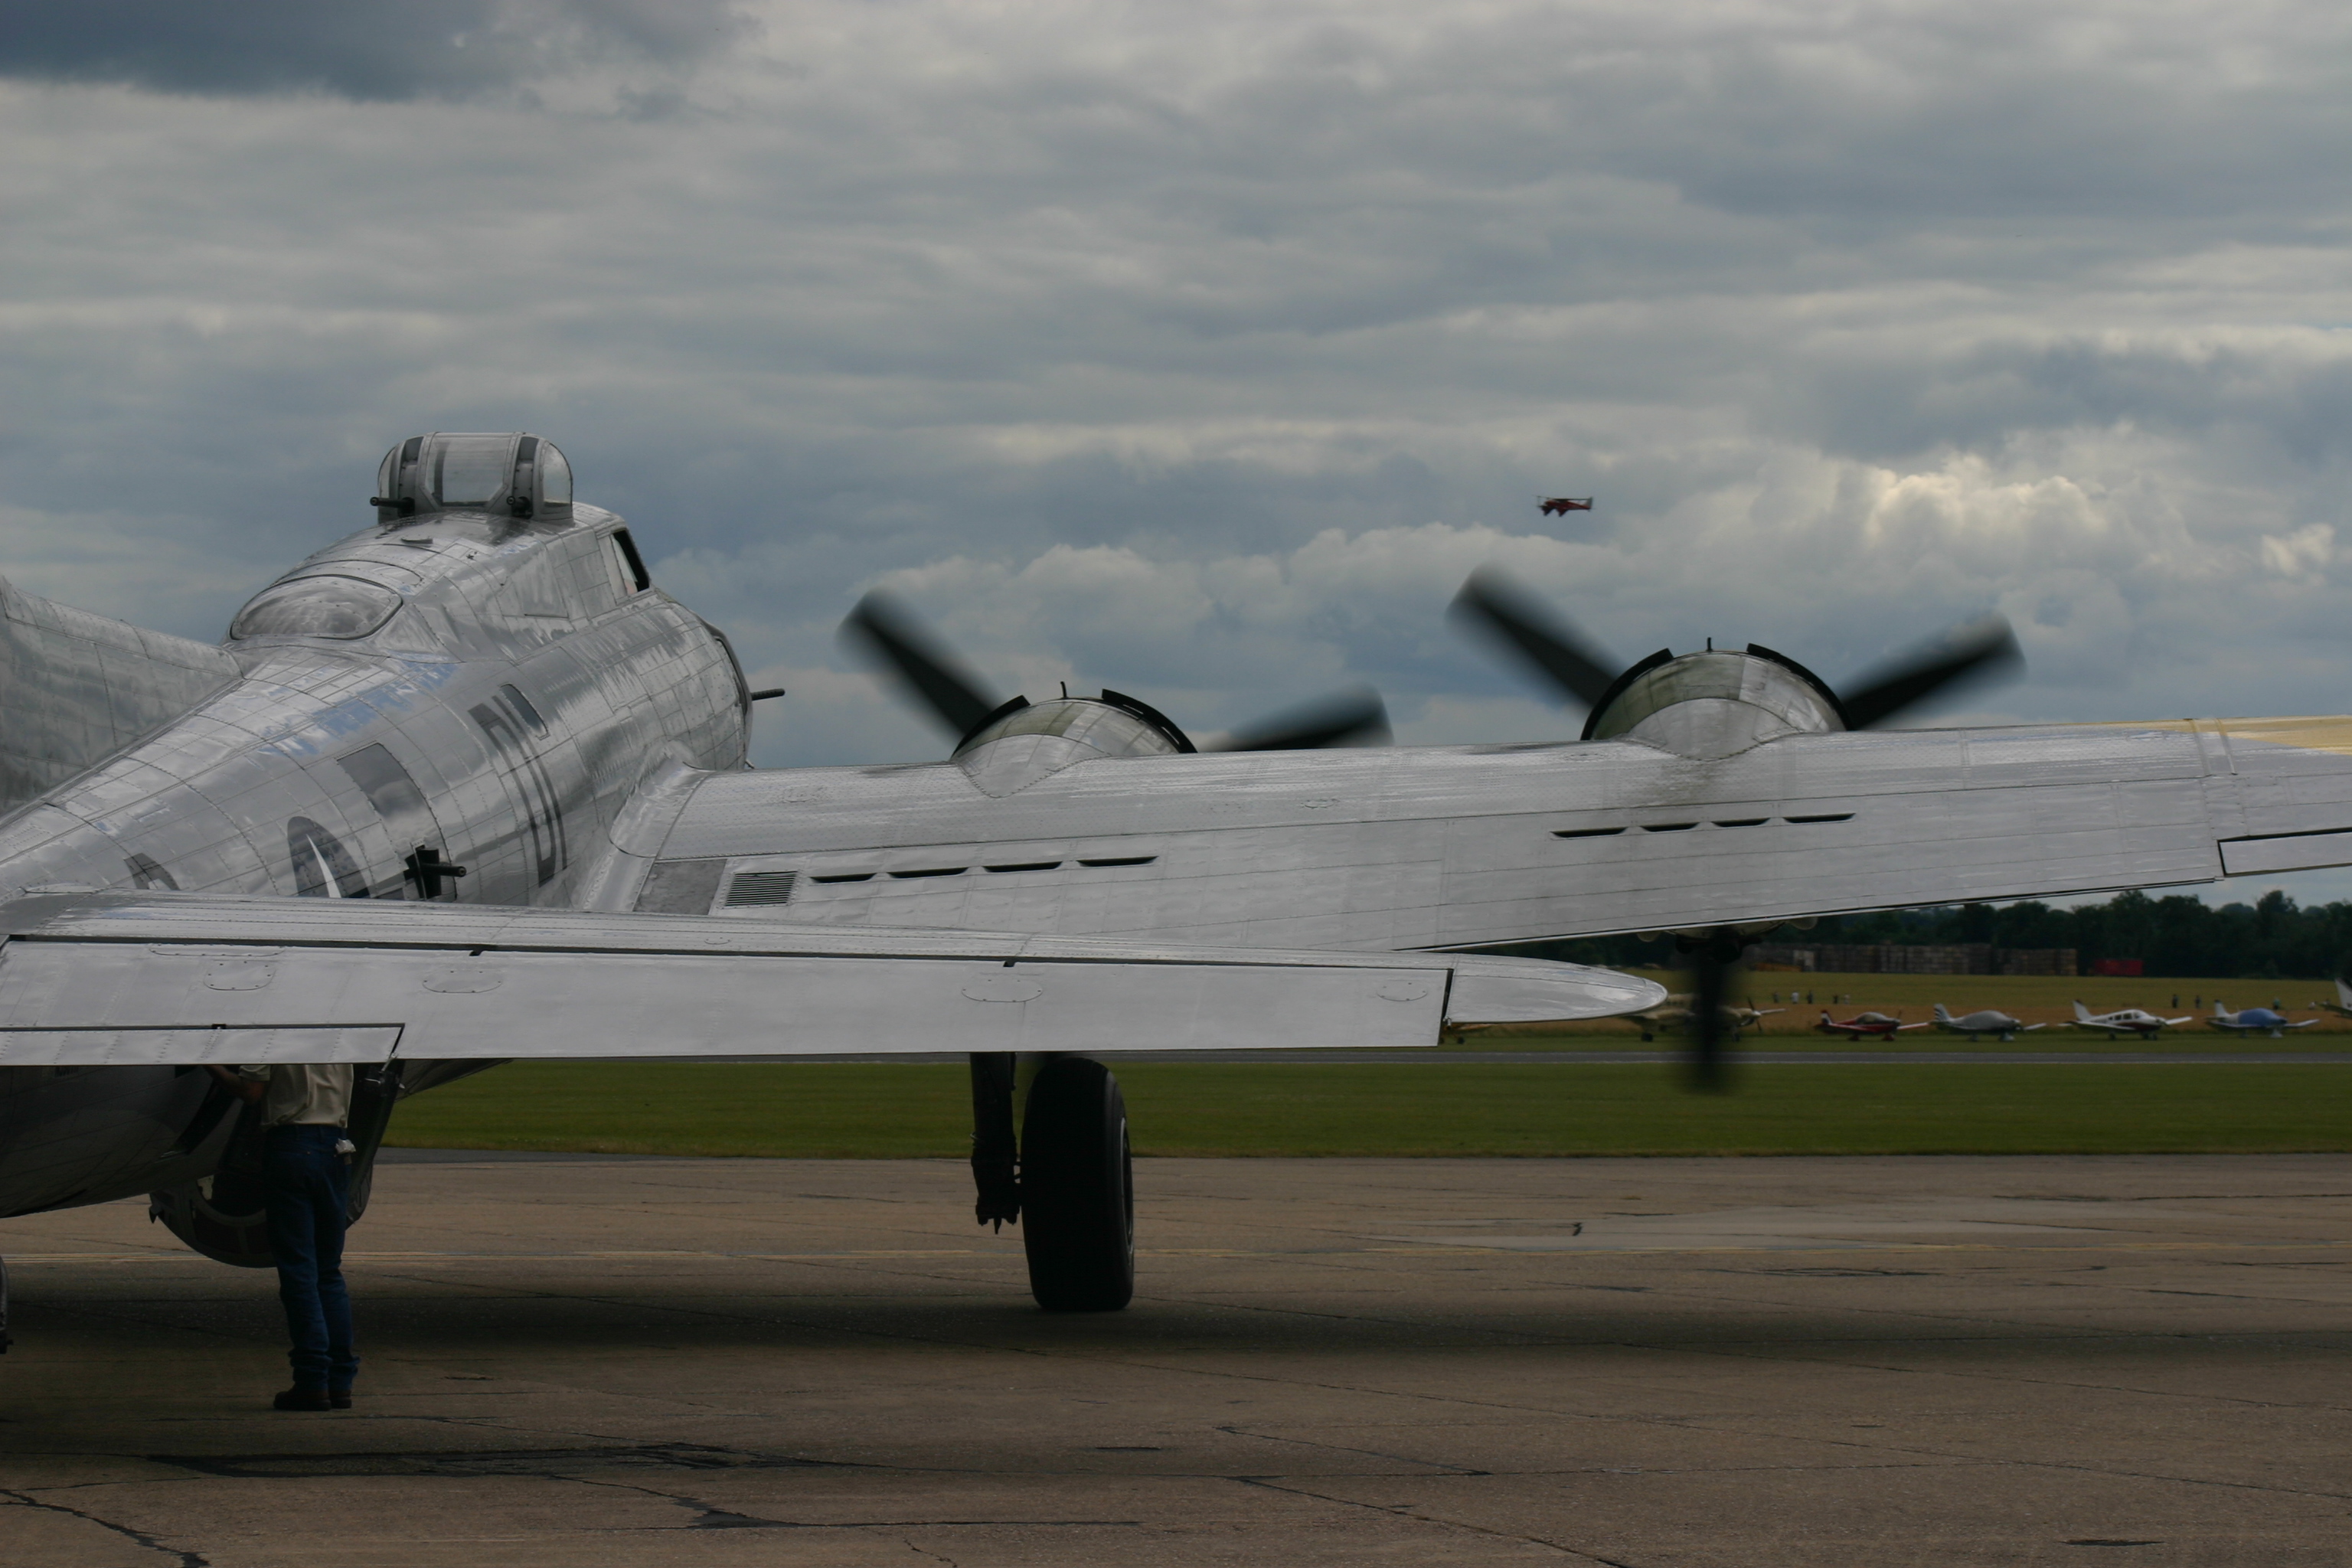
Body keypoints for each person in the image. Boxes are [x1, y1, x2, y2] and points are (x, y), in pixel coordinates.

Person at [208, 1062, 359, 1410]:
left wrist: (209, 1064)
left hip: (292, 1144)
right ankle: (340, 1380)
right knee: (328, 1271)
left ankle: (311, 1379)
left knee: (299, 1271)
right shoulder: (342, 1033)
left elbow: (251, 1091)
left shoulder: (276, 1032)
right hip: (337, 1146)